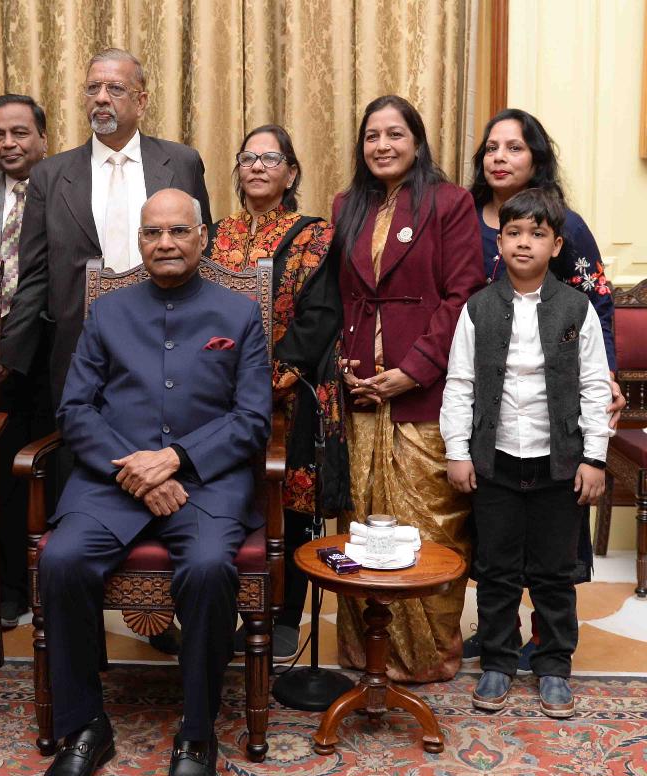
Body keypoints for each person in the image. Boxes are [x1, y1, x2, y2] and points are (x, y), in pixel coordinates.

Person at [36, 189, 270, 776]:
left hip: (206, 482)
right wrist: (138, 469)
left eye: (178, 231)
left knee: (208, 568)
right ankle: (85, 726)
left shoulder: (239, 313)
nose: (165, 243)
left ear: (203, 237)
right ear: (139, 241)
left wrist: (176, 459)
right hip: (113, 479)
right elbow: (75, 410)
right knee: (61, 560)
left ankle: (196, 733)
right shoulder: (108, 312)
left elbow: (252, 420)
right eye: (152, 233)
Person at [463, 108, 626, 664]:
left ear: (536, 158)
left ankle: (548, 638)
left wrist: (605, 377)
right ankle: (498, 633)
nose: (500, 157)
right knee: (494, 537)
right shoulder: (463, 220)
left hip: (553, 403)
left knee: (554, 532)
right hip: (486, 402)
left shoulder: (565, 225)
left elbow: (597, 305)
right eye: (491, 147)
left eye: (514, 147)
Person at [441, 188, 611, 718]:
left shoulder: (577, 308)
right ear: (499, 242)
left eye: (537, 234)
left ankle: (554, 664)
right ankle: (497, 660)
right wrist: (457, 451)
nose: (523, 242)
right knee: (496, 569)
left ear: (556, 245)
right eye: (513, 232)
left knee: (554, 572)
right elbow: (460, 384)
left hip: (559, 463)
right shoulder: (477, 309)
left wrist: (595, 458)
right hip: (495, 461)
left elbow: (595, 388)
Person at [333, 95, 485, 682]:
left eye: (395, 134)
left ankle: (427, 655)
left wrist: (415, 368)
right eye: (372, 136)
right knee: (362, 526)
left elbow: (464, 296)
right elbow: (339, 297)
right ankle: (364, 652)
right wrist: (344, 365)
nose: (382, 146)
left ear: (417, 143)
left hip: (424, 394)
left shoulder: (450, 203)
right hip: (360, 395)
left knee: (430, 526)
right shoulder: (347, 205)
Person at [1, 48, 212, 410]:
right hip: (78, 345)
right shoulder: (50, 176)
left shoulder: (181, 163)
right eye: (92, 88)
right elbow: (34, 276)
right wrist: (8, 355)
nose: (101, 98)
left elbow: (201, 255)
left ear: (141, 101)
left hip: (171, 334)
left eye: (115, 88)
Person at [208, 124, 344, 662]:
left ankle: (285, 616)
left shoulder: (315, 235)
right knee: (221, 499)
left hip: (289, 393)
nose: (257, 167)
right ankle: (220, 610)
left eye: (270, 159)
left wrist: (264, 383)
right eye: (248, 158)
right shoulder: (212, 235)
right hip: (213, 395)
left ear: (291, 172)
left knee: (289, 501)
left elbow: (320, 318)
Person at [0, 93, 53, 628]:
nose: (8, 144)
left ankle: (49, 582)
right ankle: (7, 586)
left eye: (20, 133)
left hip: (49, 348)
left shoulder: (64, 183)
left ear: (43, 138)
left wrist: (13, 349)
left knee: (48, 468)